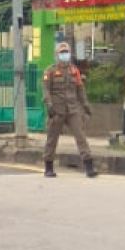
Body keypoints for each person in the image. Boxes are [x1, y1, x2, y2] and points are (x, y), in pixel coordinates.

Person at [42, 41, 97, 178]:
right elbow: (46, 90)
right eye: (62, 52)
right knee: (52, 139)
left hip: (73, 109)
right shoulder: (50, 71)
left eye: (66, 52)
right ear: (57, 54)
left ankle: (89, 166)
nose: (64, 54)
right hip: (57, 109)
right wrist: (49, 105)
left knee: (81, 137)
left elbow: (80, 90)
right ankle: (48, 167)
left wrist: (86, 106)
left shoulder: (74, 71)